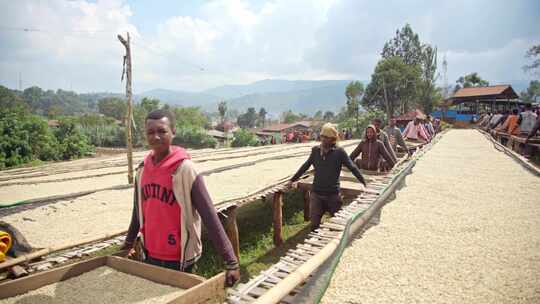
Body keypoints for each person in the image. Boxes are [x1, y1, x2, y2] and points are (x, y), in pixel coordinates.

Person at [122, 110, 240, 287]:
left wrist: (231, 261)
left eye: (162, 131)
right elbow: (137, 214)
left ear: (173, 132)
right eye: (150, 132)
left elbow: (209, 216)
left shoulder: (185, 170)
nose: (156, 137)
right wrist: (127, 245)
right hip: (150, 253)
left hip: (180, 258)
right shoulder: (142, 171)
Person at [289, 123, 366, 230]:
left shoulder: (339, 152)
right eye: (322, 136)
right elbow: (305, 166)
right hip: (316, 194)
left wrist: (363, 182)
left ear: (332, 139)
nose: (323, 139)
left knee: (337, 226)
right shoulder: (315, 151)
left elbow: (352, 167)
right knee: (314, 225)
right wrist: (292, 179)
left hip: (333, 195)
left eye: (326, 137)